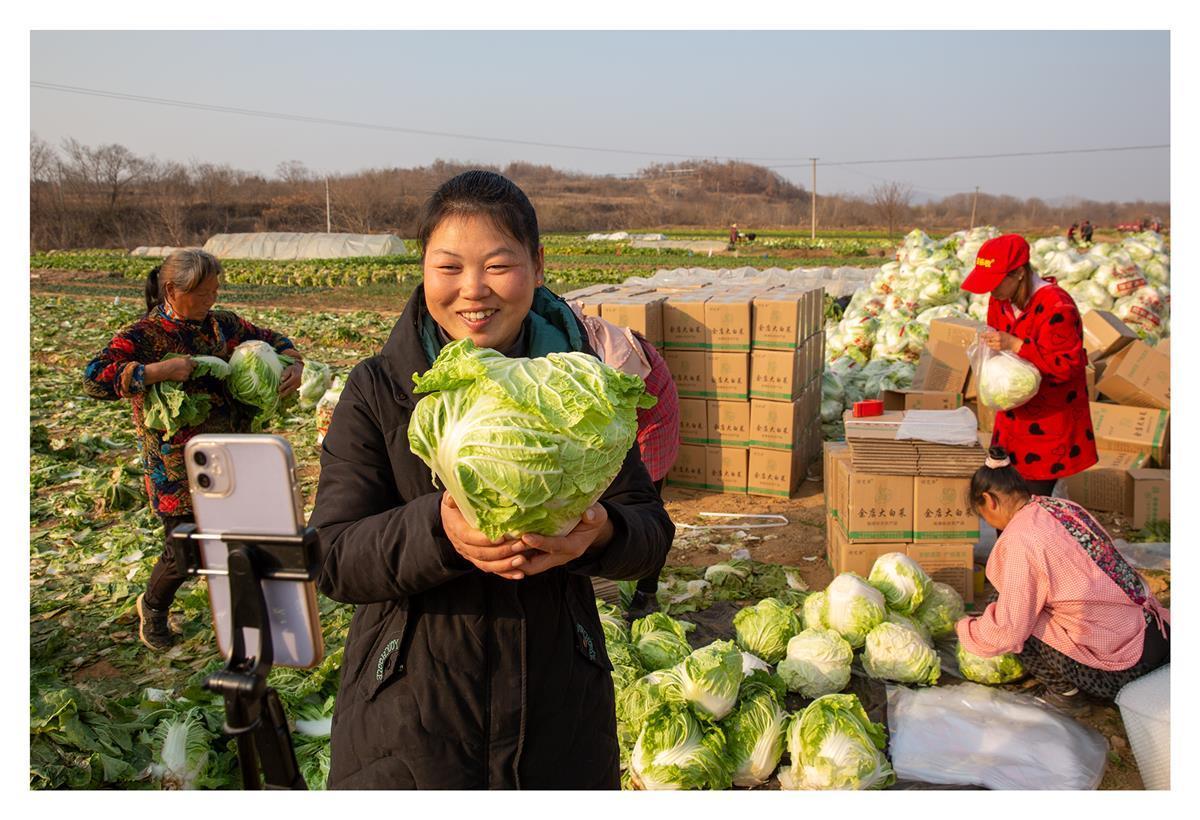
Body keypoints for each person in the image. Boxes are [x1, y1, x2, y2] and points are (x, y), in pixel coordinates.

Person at [308, 170, 674, 789]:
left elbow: (651, 532)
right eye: (448, 267)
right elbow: (334, 555)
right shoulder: (380, 389)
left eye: (498, 266)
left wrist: (601, 534)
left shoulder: (581, 386)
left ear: (536, 263)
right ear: (423, 268)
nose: (472, 290)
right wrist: (439, 531)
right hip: (412, 716)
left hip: (559, 705)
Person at [83, 249, 304, 650]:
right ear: (172, 289)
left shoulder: (224, 326)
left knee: (242, 538)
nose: (211, 301)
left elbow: (278, 341)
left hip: (233, 454)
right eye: (202, 294)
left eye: (215, 291)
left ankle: (248, 613)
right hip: (175, 467)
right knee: (186, 549)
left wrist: (293, 365)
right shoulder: (145, 336)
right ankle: (151, 607)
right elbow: (94, 377)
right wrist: (157, 372)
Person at [956, 448, 1170, 711]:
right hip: (1154, 633)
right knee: (1007, 599)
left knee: (1017, 621)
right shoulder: (1059, 507)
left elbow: (1010, 630)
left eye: (984, 516)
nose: (989, 522)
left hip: (1127, 665)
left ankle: (1066, 695)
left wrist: (967, 630)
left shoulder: (1019, 538)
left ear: (989, 500)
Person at [961, 233, 1098, 495]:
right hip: (1012, 418)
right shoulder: (1000, 300)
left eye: (996, 282)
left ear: (1019, 274)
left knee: (1031, 504)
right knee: (1004, 498)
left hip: (1048, 423)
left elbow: (1067, 366)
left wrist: (1016, 345)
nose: (992, 290)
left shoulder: (1057, 306)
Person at [566, 304, 680, 614]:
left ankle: (647, 592)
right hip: (617, 414)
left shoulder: (605, 359)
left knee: (645, 499)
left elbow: (604, 423)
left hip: (650, 410)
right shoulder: (562, 348)